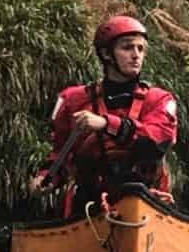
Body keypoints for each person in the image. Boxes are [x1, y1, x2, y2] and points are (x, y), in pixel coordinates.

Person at [33, 14, 179, 217]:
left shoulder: (159, 99)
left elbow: (155, 143)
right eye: (127, 48)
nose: (136, 55)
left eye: (140, 48)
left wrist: (105, 123)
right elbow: (61, 153)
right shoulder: (73, 100)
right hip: (89, 201)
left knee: (132, 186)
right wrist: (46, 178)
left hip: (146, 200)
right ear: (106, 54)